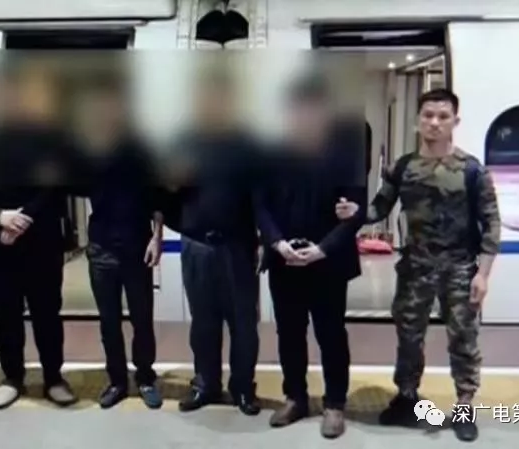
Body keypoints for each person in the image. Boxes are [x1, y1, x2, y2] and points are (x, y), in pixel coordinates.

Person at [336, 88, 501, 442]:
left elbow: (491, 224)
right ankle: (407, 396)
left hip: (460, 269)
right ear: (417, 121)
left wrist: (483, 275)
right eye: (428, 115)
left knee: (463, 339)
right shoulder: (403, 167)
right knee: (409, 337)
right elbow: (381, 207)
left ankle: (465, 405)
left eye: (443, 116)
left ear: (455, 121)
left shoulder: (472, 171)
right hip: (416, 268)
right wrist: (357, 214)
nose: (434, 122)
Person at [255, 75, 367, 439]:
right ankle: (295, 397)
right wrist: (276, 243)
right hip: (285, 260)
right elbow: (260, 204)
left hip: (327, 263)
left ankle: (334, 404)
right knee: (289, 334)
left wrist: (322, 249)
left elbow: (357, 211)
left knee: (330, 334)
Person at [0, 61, 78, 410]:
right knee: (6, 315)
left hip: (41, 240)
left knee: (48, 315)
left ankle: (53, 378)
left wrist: (23, 218)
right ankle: (13, 378)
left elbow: (56, 186)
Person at [167, 69, 262, 415]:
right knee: (203, 322)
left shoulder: (249, 144)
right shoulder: (183, 141)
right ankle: (206, 384)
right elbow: (164, 189)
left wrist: (264, 240)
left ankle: (243, 388)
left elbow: (261, 195)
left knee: (243, 324)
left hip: (238, 245)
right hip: (197, 244)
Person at [72, 75, 164, 410]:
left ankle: (146, 377)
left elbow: (157, 197)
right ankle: (117, 381)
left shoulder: (143, 149)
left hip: (138, 245)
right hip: (101, 248)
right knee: (108, 321)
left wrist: (157, 237)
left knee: (142, 318)